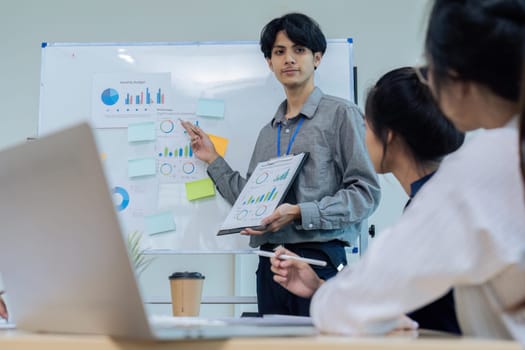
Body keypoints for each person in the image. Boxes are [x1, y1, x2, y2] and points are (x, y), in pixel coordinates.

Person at [271, 0, 525, 342]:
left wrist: (330, 292)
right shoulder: (492, 162)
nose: (289, 58)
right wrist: (324, 288)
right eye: (279, 51)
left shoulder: (480, 171)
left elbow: (362, 300)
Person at [182, 13, 380, 316]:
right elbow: (250, 200)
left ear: (317, 58)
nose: (289, 59)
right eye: (279, 52)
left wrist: (300, 212)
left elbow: (365, 194)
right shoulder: (268, 132)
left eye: (299, 50)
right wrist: (212, 159)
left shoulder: (341, 115)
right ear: (269, 63)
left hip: (319, 259)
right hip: (270, 262)